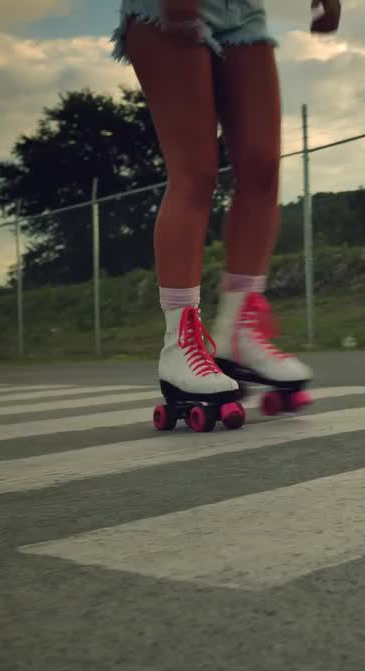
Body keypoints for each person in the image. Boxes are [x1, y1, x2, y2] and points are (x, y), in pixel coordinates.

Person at [110, 0, 341, 421]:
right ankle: (180, 346)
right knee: (195, 173)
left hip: (244, 11)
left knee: (261, 167)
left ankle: (238, 333)